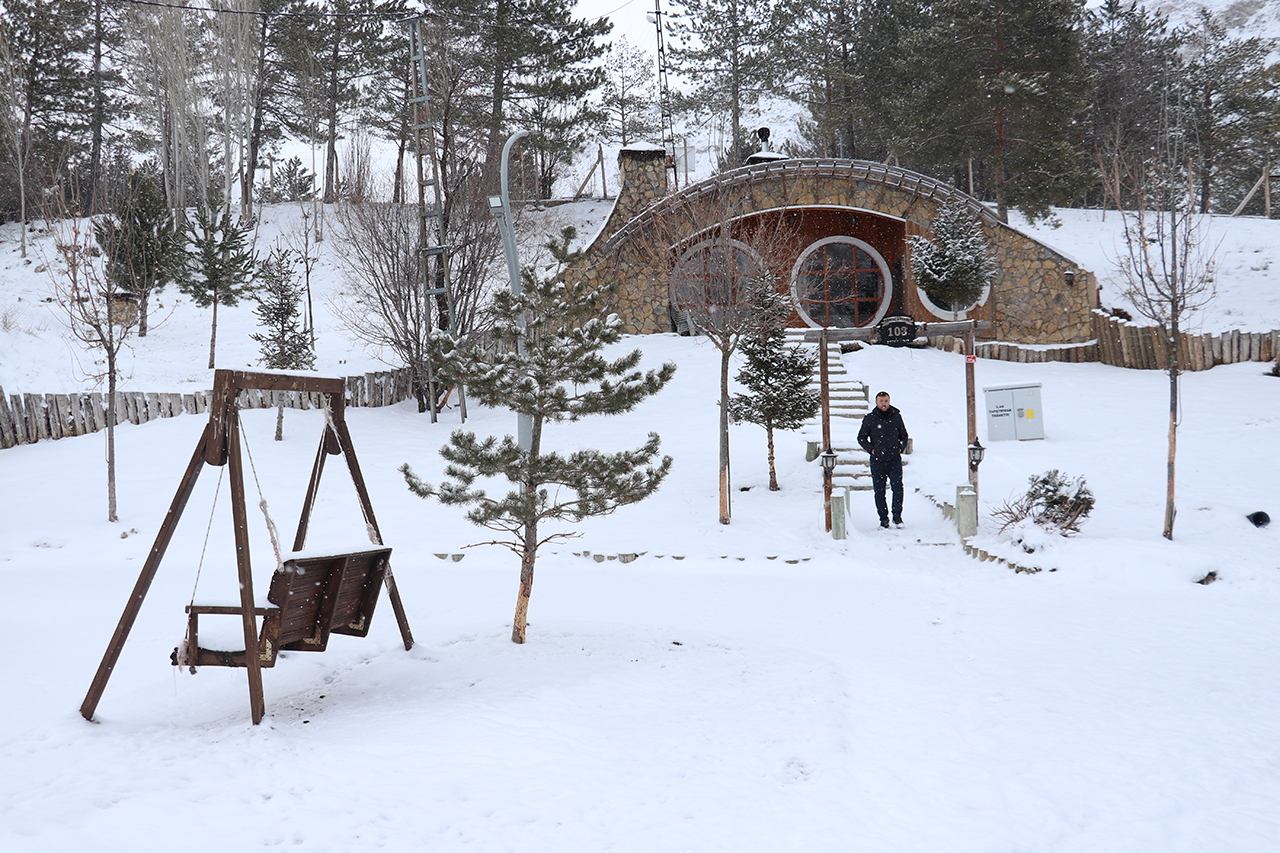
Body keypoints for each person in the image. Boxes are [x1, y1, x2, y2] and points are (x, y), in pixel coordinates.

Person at [857, 391, 909, 529]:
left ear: (889, 401)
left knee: (898, 488)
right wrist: (872, 449)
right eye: (881, 401)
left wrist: (900, 448)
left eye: (886, 400)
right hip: (877, 461)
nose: (884, 403)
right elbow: (861, 438)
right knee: (879, 491)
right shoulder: (870, 418)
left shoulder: (896, 417)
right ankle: (883, 519)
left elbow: (904, 435)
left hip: (894, 460)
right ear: (876, 402)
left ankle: (897, 517)